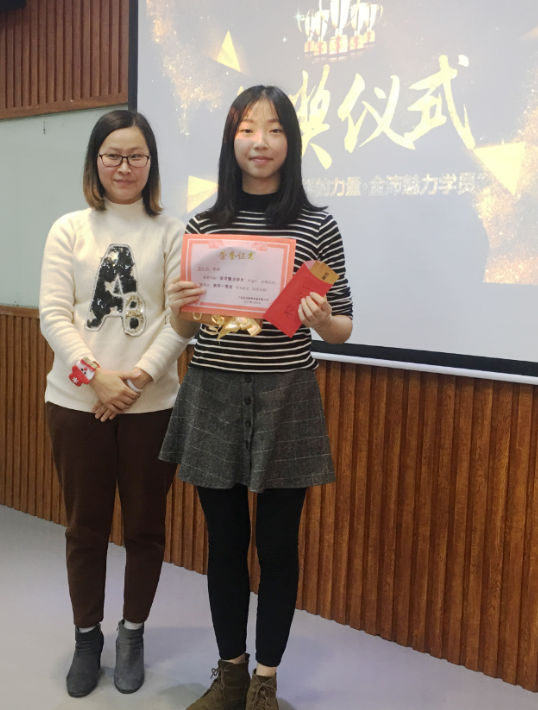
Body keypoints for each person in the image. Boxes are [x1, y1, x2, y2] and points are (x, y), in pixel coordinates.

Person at [162, 86, 354, 710]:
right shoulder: (203, 226)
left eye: (274, 130)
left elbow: (343, 326)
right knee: (223, 544)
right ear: (232, 141)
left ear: (290, 142)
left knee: (276, 546)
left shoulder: (316, 226)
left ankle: (265, 682)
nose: (261, 142)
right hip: (213, 393)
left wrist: (321, 319)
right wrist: (177, 308)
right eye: (248, 129)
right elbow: (186, 328)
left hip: (285, 397)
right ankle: (231, 675)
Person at [39, 109, 190, 698]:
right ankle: (87, 638)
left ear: (151, 164)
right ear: (95, 162)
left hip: (151, 406)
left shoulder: (172, 232)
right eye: (113, 156)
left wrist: (137, 380)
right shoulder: (69, 229)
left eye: (137, 157)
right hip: (76, 403)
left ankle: (132, 634)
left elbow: (179, 320)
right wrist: (97, 378)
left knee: (146, 528)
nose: (125, 167)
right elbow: (54, 315)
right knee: (85, 528)